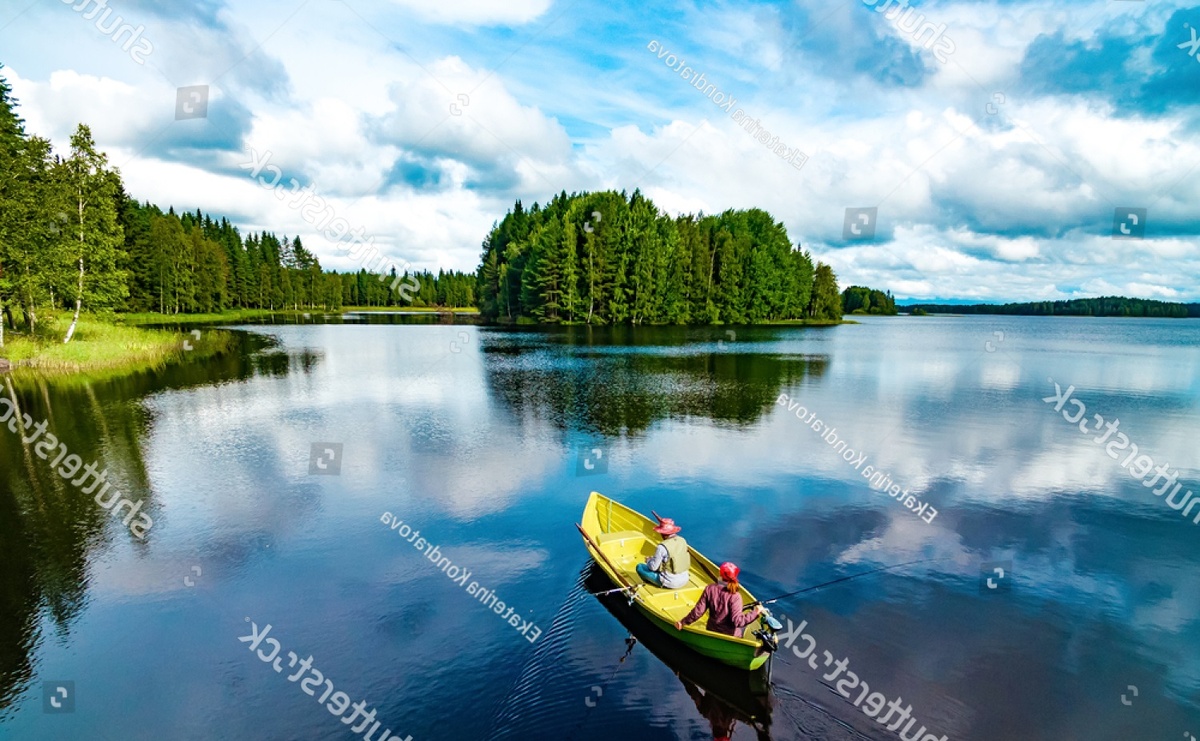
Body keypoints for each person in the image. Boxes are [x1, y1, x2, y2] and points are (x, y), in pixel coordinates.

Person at [674, 562, 761, 637]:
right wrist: (756, 612)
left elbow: (698, 611)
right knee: (745, 626)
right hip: (730, 635)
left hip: (712, 630)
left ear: (720, 574)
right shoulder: (735, 596)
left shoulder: (710, 589)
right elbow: (737, 622)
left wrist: (683, 622)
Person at [635, 517, 690, 589]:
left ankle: (651, 583)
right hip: (685, 579)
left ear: (663, 533)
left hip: (670, 583)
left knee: (640, 567)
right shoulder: (682, 540)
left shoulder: (662, 547)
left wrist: (648, 561)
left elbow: (653, 568)